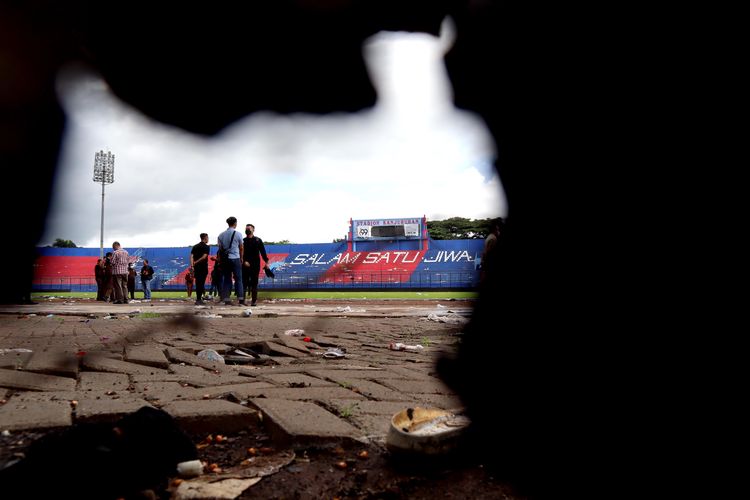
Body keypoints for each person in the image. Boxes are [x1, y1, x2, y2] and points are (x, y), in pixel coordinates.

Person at [217, 216, 244, 306]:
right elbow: (241, 247)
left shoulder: (221, 235)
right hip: (235, 258)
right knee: (239, 279)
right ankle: (240, 299)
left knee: (227, 279)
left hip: (225, 260)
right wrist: (241, 258)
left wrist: (220, 260)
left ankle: (227, 299)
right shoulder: (238, 234)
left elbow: (220, 249)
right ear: (235, 223)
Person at [242, 223, 270, 306]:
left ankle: (253, 301)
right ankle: (242, 301)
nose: (247, 230)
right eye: (246, 228)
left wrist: (267, 262)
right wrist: (244, 261)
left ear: (253, 230)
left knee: (254, 283)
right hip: (245, 265)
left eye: (249, 228)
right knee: (244, 283)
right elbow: (240, 253)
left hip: (255, 265)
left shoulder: (258, 240)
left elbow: (263, 253)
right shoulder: (243, 240)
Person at [480, 217, 503, 283]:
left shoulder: (490, 237)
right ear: (495, 229)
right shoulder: (493, 238)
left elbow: (485, 252)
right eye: (498, 229)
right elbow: (488, 253)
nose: (499, 232)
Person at [190, 233, 210, 305]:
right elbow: (204, 257)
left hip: (196, 268)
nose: (208, 239)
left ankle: (199, 298)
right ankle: (199, 299)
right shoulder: (206, 247)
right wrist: (196, 262)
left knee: (198, 283)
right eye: (207, 238)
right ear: (205, 238)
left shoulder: (195, 246)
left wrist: (192, 265)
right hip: (203, 267)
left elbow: (191, 256)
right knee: (201, 283)